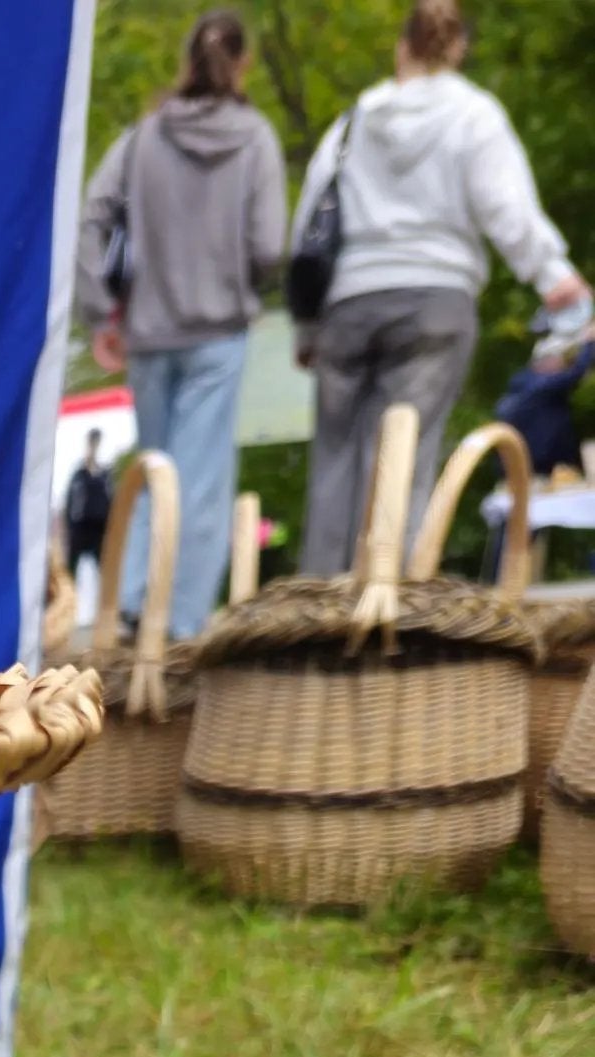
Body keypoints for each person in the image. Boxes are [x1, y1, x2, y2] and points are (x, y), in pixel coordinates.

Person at [293, 1, 587, 573]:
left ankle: (317, 606)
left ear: (402, 47)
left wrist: (307, 326)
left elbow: (308, 222)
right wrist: (555, 276)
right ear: (456, 50)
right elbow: (505, 206)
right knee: (405, 450)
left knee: (335, 457)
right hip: (434, 300)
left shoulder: (353, 122)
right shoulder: (472, 114)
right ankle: (385, 605)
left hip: (348, 303)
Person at [76, 13, 286, 637]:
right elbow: (271, 242)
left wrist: (99, 311)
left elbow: (92, 216)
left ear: (185, 62)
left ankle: (135, 602)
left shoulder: (143, 138)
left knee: (152, 470)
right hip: (217, 332)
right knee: (201, 482)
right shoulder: (255, 139)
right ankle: (181, 624)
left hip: (149, 333)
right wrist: (242, 275)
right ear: (242, 64)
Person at [63, 429, 113, 583]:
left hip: (99, 529)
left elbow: (111, 500)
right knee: (72, 570)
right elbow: (70, 502)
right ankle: (69, 602)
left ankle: (108, 603)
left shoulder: (104, 475)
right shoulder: (79, 474)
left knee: (106, 570)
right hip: (80, 528)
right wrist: (69, 527)